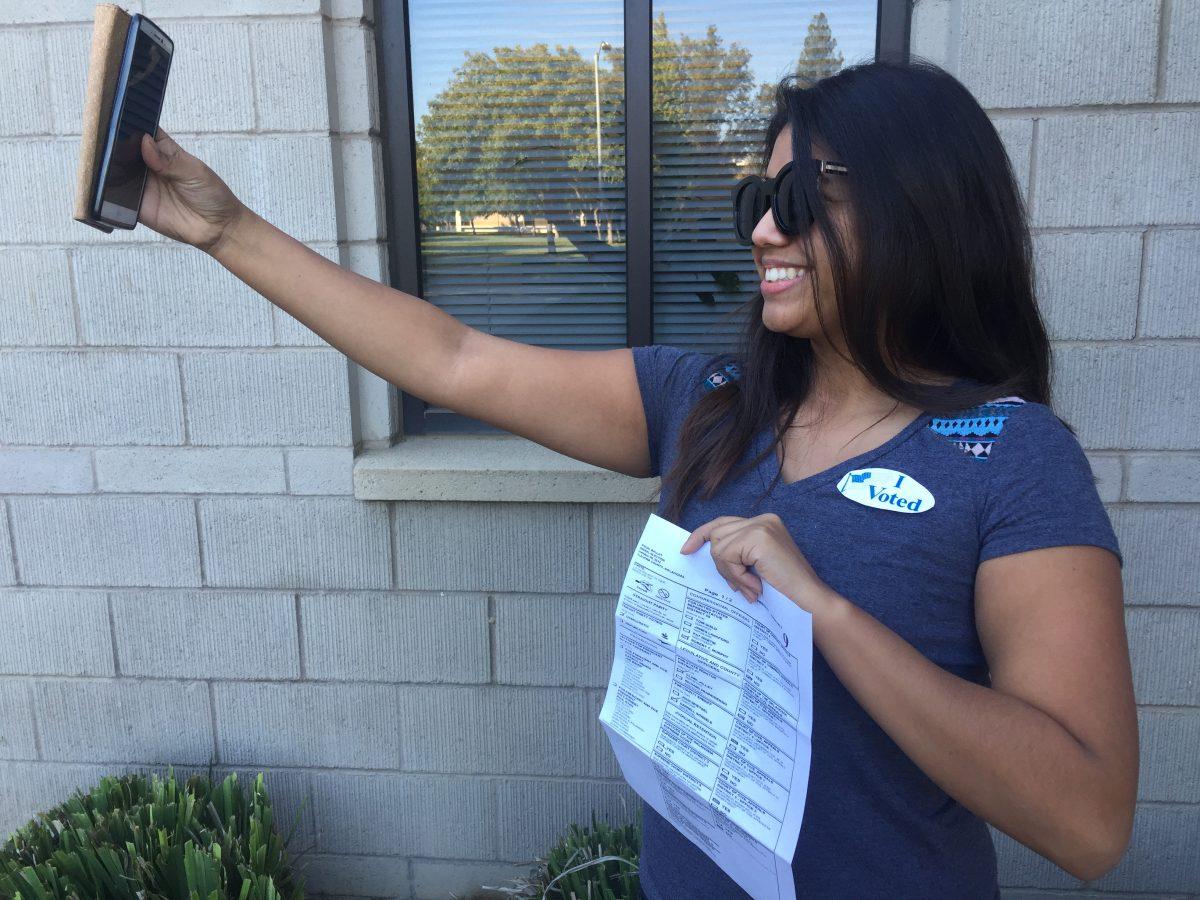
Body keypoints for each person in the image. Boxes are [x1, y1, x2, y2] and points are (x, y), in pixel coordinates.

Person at [135, 56, 1136, 899]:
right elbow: (452, 361)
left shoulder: (1010, 458)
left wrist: (825, 613)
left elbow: (1087, 822)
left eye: (798, 203)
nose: (762, 234)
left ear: (920, 210)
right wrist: (229, 231)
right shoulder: (704, 402)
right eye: (758, 202)